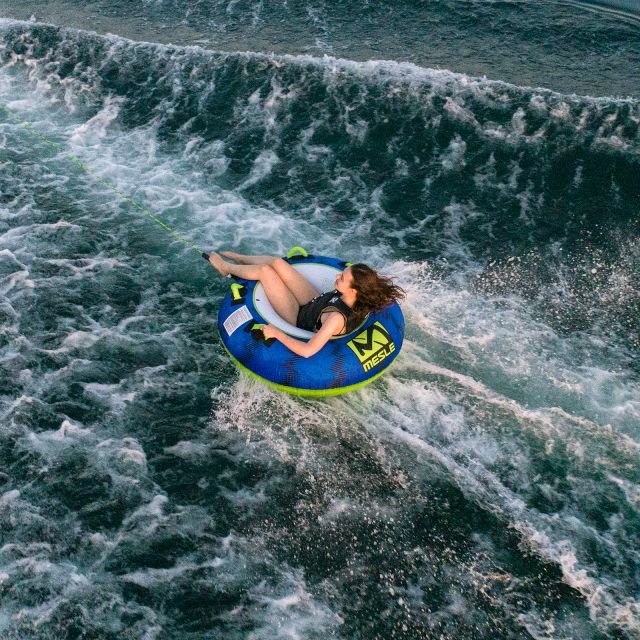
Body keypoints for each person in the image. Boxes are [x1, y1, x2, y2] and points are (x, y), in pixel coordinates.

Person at [208, 250, 405, 358]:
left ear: (353, 290)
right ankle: (241, 258)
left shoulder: (336, 319)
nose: (338, 275)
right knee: (277, 263)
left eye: (342, 277)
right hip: (317, 301)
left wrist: (277, 333)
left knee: (265, 272)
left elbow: (308, 351)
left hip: (299, 316)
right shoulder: (357, 296)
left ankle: (226, 268)